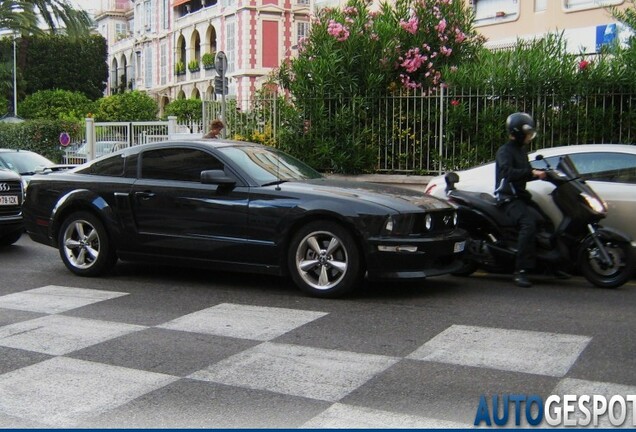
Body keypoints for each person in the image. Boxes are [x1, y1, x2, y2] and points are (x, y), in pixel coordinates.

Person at [494, 112, 546, 288]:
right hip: (507, 198)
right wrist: (531, 173)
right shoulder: (505, 151)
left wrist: (544, 175)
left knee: (542, 220)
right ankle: (521, 270)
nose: (530, 137)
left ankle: (546, 265)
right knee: (528, 224)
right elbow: (507, 172)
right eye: (527, 133)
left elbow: (526, 172)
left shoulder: (521, 151)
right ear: (518, 132)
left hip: (520, 196)